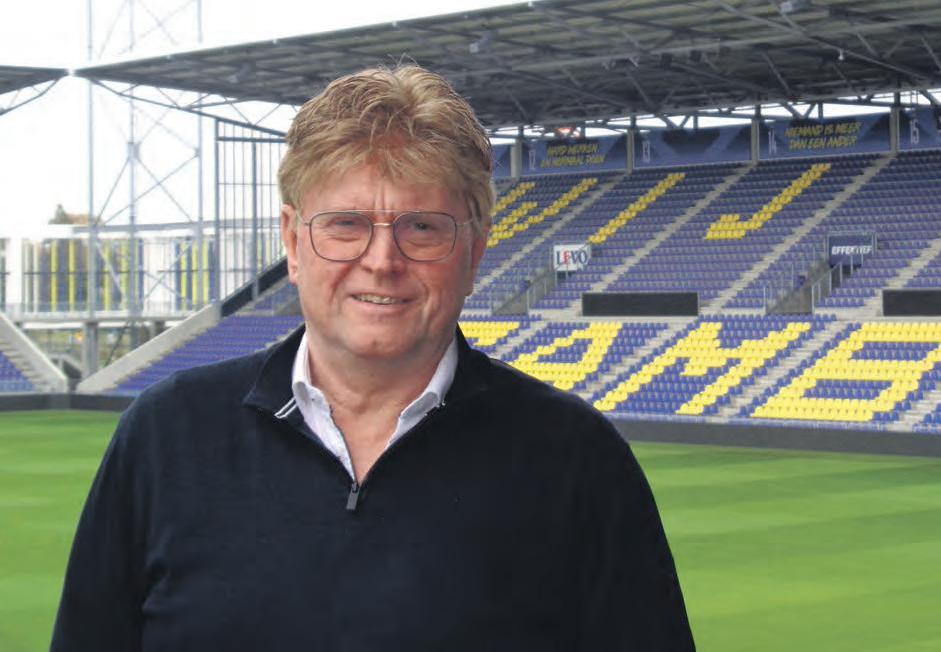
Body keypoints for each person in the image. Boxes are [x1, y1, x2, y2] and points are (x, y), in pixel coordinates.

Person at [52, 64, 694, 651]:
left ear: (474, 252)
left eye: (423, 227)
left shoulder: (577, 458)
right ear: (292, 243)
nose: (382, 261)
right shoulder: (165, 435)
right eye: (345, 224)